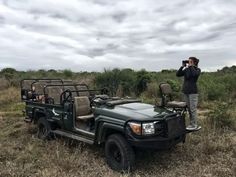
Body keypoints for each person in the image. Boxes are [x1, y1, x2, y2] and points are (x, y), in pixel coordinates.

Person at [176, 57, 201, 130]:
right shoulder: (186, 69)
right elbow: (178, 74)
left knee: (193, 109)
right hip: (186, 92)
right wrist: (182, 66)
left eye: (190, 61)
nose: (188, 62)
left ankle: (194, 125)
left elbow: (194, 74)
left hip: (193, 92)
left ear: (194, 62)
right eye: (188, 61)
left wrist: (191, 66)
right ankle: (192, 124)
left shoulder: (197, 70)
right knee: (189, 109)